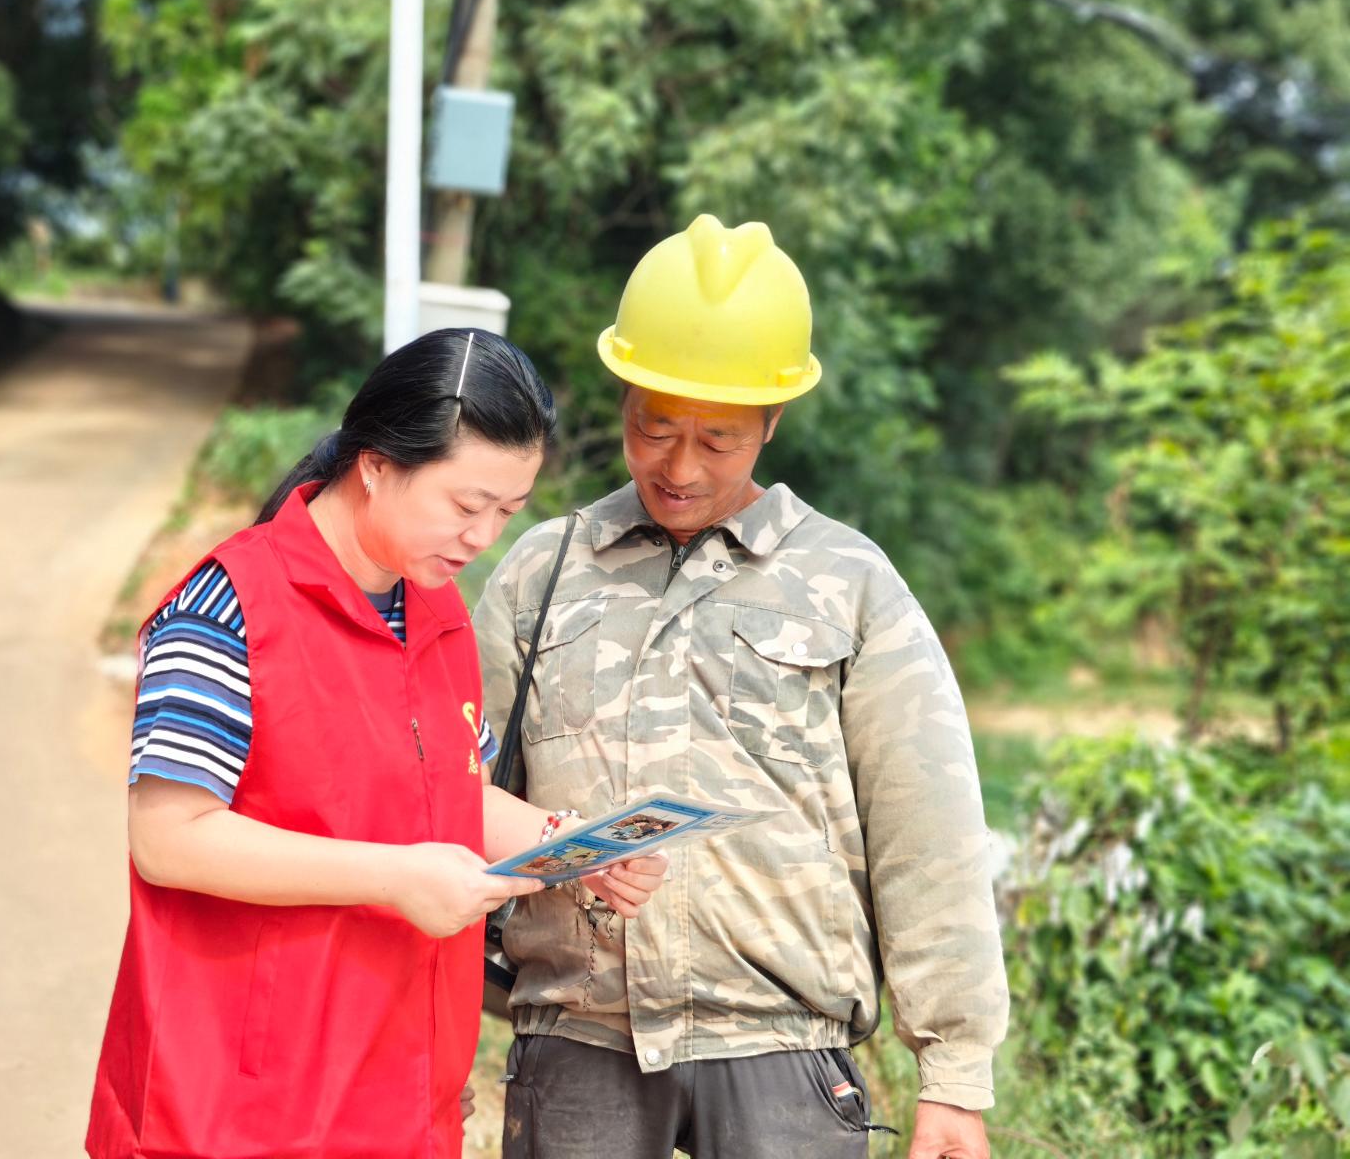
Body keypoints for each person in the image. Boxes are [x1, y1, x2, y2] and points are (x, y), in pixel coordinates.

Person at [474, 218, 1010, 1159]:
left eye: (718, 439)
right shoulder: (541, 572)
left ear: (773, 421)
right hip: (577, 1046)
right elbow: (451, 795)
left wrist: (954, 1077)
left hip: (785, 1054)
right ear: (625, 397)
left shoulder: (851, 583)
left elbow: (928, 831)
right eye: (653, 427)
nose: (679, 468)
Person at [86, 329, 667, 1159]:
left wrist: (572, 848)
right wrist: (396, 878)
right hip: (232, 1106)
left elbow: (451, 794)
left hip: (394, 1097)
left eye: (506, 512)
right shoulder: (227, 608)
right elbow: (169, 839)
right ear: (377, 465)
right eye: (466, 506)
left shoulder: (438, 615)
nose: (482, 538)